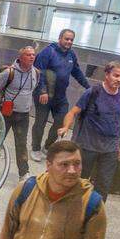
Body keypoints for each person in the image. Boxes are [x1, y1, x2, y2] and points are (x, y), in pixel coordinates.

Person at [58, 61, 120, 202]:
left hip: (110, 148)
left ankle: (96, 211)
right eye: (116, 75)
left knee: (104, 184)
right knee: (80, 180)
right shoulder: (93, 92)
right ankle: (73, 207)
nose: (119, 80)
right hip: (87, 146)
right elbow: (73, 112)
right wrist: (66, 127)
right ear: (107, 74)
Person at [31, 29, 90, 161]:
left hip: (60, 96)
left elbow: (77, 72)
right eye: (66, 39)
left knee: (60, 121)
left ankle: (48, 146)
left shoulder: (71, 55)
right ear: (60, 39)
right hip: (44, 95)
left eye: (71, 40)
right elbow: (38, 72)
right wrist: (43, 90)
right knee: (40, 122)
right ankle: (35, 148)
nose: (69, 42)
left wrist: (89, 87)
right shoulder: (48, 52)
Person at [0, 46, 40, 178]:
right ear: (21, 57)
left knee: (21, 144)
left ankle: (24, 173)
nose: (32, 57)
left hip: (23, 115)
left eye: (33, 55)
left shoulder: (35, 73)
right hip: (6, 114)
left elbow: (31, 90)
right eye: (28, 55)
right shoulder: (9, 73)